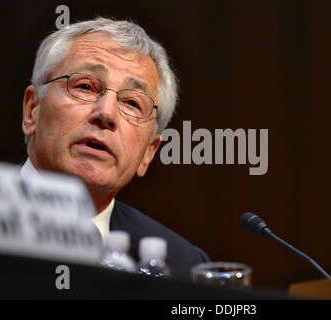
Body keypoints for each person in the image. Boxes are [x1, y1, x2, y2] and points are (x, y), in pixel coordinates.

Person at [20, 17, 209, 280]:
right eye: (85, 86)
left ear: (149, 153)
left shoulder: (182, 266)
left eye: (132, 103)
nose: (106, 114)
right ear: (32, 111)